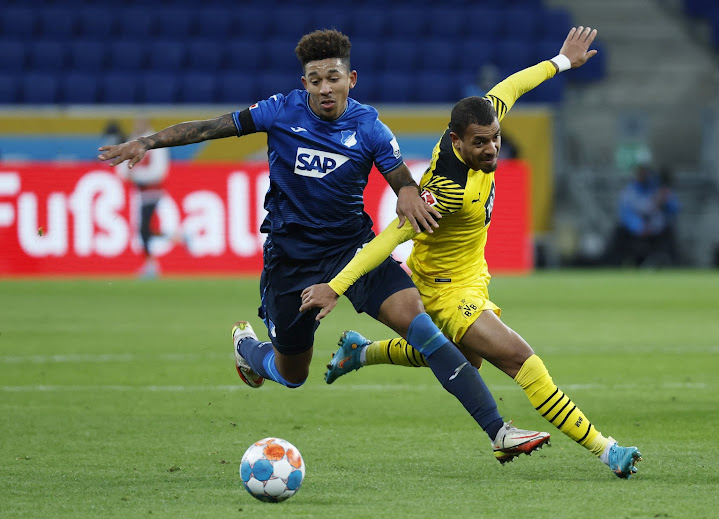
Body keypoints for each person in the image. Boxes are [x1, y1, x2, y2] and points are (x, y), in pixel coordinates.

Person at [98, 29, 550, 463]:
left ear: (350, 80)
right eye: (315, 80)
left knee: (423, 326)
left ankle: (499, 432)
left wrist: (409, 192)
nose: (325, 88)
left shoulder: (369, 127)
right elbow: (215, 126)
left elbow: (400, 180)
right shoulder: (280, 110)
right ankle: (248, 352)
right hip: (291, 259)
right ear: (305, 84)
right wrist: (149, 142)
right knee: (292, 374)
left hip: (352, 248)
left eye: (333, 77)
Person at [300, 27, 643, 479]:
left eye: (496, 138)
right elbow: (386, 240)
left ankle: (363, 352)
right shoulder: (442, 191)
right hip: (444, 291)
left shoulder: (482, 118)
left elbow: (512, 86)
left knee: (464, 357)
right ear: (456, 142)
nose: (492, 148)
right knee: (520, 359)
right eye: (480, 143)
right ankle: (607, 449)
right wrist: (336, 287)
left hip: (471, 274)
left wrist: (561, 62)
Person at [115, 116, 174, 279]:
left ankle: (151, 266)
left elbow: (159, 171)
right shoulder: (132, 140)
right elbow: (122, 165)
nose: (137, 125)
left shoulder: (155, 142)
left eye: (140, 123)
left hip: (152, 191)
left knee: (143, 229)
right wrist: (126, 174)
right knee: (146, 229)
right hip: (140, 192)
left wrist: (136, 175)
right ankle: (180, 237)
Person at [605, 163, 680, 267]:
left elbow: (675, 209)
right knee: (619, 232)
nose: (643, 176)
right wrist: (639, 227)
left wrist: (666, 200)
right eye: (640, 173)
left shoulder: (658, 189)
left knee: (669, 232)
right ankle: (615, 264)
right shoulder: (629, 192)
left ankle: (669, 262)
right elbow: (626, 213)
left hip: (657, 230)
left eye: (645, 173)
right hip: (637, 231)